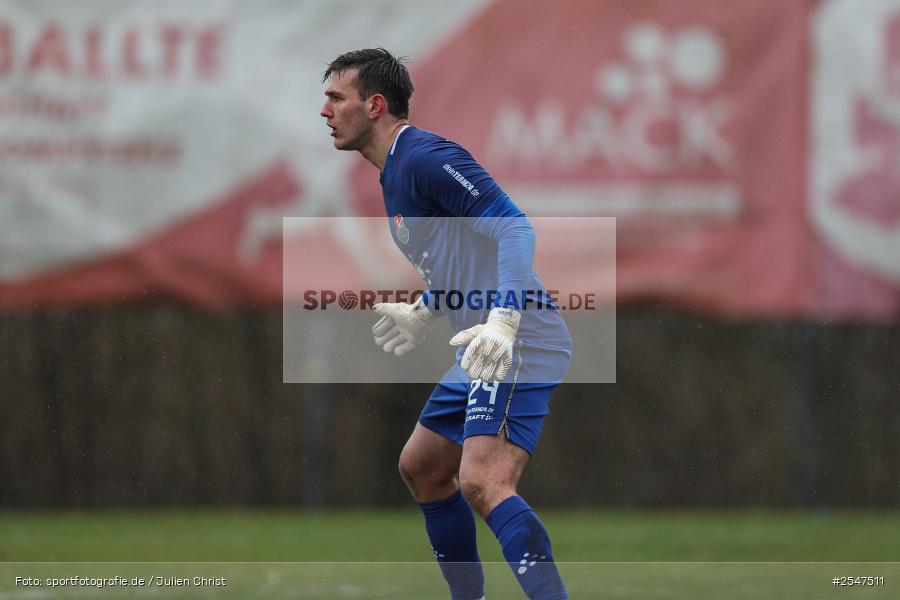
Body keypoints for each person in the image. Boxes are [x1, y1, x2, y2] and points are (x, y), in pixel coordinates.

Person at [320, 48, 571, 600]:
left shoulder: (426, 157)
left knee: (486, 481)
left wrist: (504, 321)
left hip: (518, 339)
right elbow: (463, 259)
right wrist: (425, 310)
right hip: (480, 347)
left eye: (336, 98)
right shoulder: (394, 172)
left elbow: (514, 229)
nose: (325, 111)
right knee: (424, 467)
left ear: (375, 105)